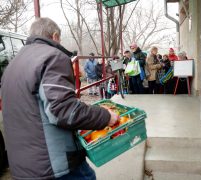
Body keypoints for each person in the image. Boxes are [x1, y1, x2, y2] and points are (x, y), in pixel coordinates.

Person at [1, 17, 119, 180]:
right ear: (55, 36)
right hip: (53, 166)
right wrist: (105, 116)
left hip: (23, 168)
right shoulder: (52, 57)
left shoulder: (12, 64)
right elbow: (64, 111)